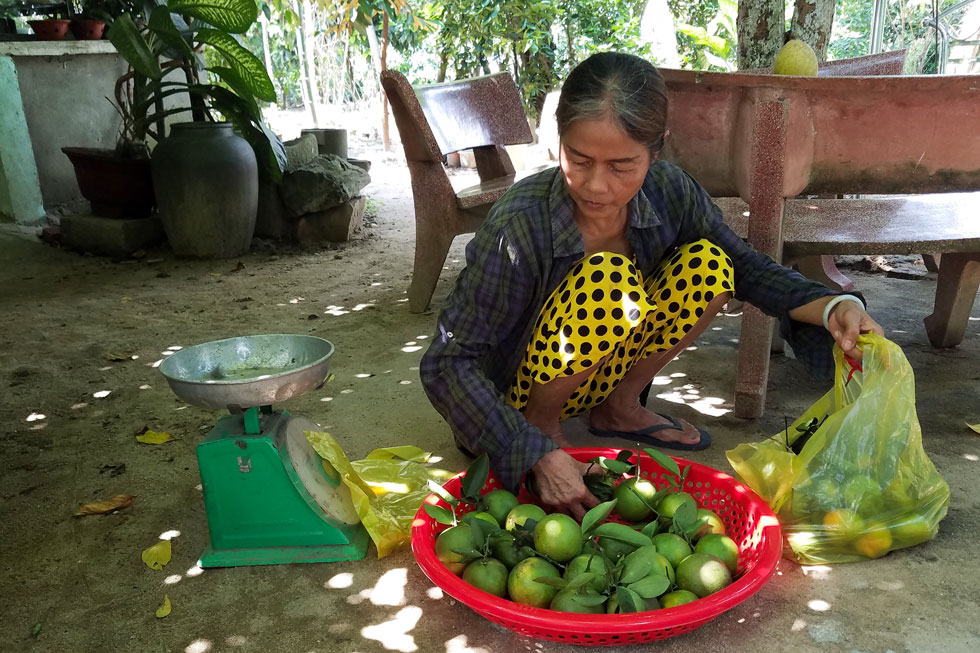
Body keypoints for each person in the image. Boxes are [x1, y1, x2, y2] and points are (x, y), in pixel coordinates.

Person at [419, 52, 883, 520]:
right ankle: (545, 427)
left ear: (655, 151)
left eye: (622, 166)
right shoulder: (519, 226)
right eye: (578, 159)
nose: (596, 185)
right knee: (607, 282)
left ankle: (618, 408)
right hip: (510, 398)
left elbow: (741, 265)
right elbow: (446, 363)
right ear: (559, 141)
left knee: (710, 264)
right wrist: (528, 449)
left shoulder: (669, 189)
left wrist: (830, 306)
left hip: (596, 371)